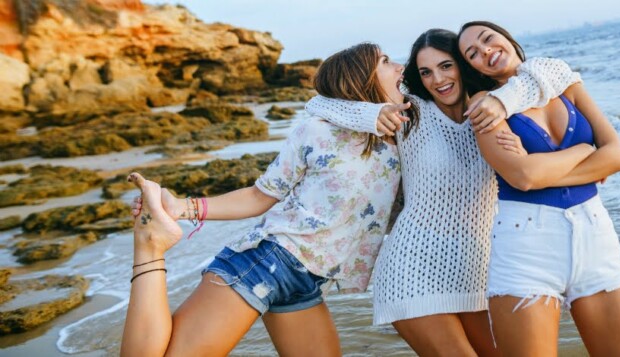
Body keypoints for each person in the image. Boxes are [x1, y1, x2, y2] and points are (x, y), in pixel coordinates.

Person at [120, 43, 411, 357]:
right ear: (359, 80)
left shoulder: (403, 142)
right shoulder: (319, 130)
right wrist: (183, 208)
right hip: (265, 261)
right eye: (385, 61)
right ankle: (148, 245)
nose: (400, 67)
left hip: (306, 283)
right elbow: (260, 195)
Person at [305, 28, 578, 356]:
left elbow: (557, 71)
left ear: (464, 64)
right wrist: (372, 112)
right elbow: (320, 104)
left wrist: (503, 100)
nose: (438, 79)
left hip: (480, 271)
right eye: (426, 72)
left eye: (446, 66)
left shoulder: (495, 108)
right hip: (413, 271)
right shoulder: (410, 112)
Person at [457, 21, 620, 356]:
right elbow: (522, 178)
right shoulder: (484, 104)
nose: (485, 51)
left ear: (509, 39)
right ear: (472, 67)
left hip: (596, 235)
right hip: (526, 246)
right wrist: (585, 153)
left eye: (488, 39)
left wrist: (544, 172)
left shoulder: (565, 84)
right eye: (472, 53)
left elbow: (618, 156)